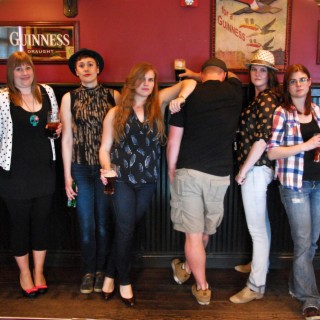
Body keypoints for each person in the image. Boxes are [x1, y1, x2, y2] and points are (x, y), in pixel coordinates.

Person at [99, 62, 196, 307]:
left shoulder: (158, 103)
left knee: (126, 229)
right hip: (120, 179)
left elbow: (190, 82)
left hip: (148, 181)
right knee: (126, 229)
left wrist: (181, 97)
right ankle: (124, 280)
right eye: (142, 79)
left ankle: (109, 273)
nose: (146, 84)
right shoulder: (116, 112)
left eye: (151, 80)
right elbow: (104, 148)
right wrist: (106, 168)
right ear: (132, 81)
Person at [167, 58, 243, 305]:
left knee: (193, 234)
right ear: (223, 75)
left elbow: (174, 140)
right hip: (220, 175)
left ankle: (202, 287)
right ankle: (187, 268)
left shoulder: (188, 97)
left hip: (189, 171)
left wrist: (170, 168)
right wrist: (195, 74)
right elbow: (234, 76)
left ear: (202, 74)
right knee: (203, 233)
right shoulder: (234, 91)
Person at [0, 51, 61, 297]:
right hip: (14, 175)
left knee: (41, 224)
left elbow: (53, 125)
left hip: (44, 171)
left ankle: (39, 271)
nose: (25, 73)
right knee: (19, 225)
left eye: (28, 68)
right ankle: (25, 273)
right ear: (11, 73)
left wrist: (56, 133)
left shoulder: (46, 92)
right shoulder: (3, 99)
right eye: (19, 69)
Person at [60, 48, 121, 294]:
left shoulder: (113, 96)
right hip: (80, 168)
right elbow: (66, 138)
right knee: (86, 223)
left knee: (105, 224)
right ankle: (88, 270)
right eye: (81, 65)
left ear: (98, 69)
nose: (86, 68)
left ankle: (103, 271)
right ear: (76, 71)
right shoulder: (69, 98)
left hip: (105, 170)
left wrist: (116, 167)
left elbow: (121, 135)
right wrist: (67, 176)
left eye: (90, 64)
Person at [228, 50, 282, 303]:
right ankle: (260, 264)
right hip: (256, 168)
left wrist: (243, 170)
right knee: (262, 225)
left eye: (263, 69)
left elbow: (262, 140)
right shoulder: (259, 98)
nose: (257, 73)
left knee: (257, 229)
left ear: (271, 74)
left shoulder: (268, 100)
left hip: (256, 168)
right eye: (253, 69)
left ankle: (256, 285)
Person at [267, 64, 320, 320]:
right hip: (294, 185)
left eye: (303, 80)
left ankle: (295, 285)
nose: (298, 85)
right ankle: (310, 299)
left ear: (310, 83)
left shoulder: (318, 112)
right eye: (293, 81)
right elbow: (272, 151)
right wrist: (305, 145)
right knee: (302, 242)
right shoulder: (282, 113)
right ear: (287, 87)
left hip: (318, 184)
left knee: (311, 242)